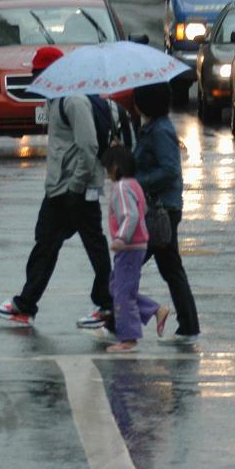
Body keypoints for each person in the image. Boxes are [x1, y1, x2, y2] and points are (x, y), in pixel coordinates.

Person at [0, 46, 116, 327]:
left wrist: (75, 187)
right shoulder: (57, 98)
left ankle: (109, 305)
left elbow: (89, 146)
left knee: (92, 245)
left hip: (76, 190)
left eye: (39, 73)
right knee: (47, 243)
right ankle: (25, 304)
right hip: (61, 190)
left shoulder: (73, 100)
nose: (36, 79)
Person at [133, 85, 201, 343]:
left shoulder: (159, 131)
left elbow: (170, 170)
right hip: (161, 209)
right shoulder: (152, 128)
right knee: (170, 268)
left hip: (161, 211)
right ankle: (188, 325)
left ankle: (114, 318)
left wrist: (138, 181)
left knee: (128, 265)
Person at [98, 145, 170, 353]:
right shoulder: (134, 185)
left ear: (117, 167)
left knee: (122, 293)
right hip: (135, 246)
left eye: (108, 169)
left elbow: (131, 215)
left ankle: (128, 338)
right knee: (117, 287)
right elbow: (143, 209)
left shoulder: (121, 187)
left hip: (129, 247)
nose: (107, 174)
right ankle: (155, 310)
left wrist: (121, 238)